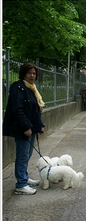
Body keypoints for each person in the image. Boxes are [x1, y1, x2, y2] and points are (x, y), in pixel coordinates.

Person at [3, 63, 45, 195]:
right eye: (29, 73)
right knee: (22, 156)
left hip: (31, 128)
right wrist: (26, 127)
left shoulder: (31, 88)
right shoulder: (18, 88)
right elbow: (17, 110)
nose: (32, 76)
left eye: (34, 73)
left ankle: (24, 178)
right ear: (23, 74)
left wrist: (40, 125)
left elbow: (34, 110)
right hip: (22, 128)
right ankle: (21, 184)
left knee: (27, 155)